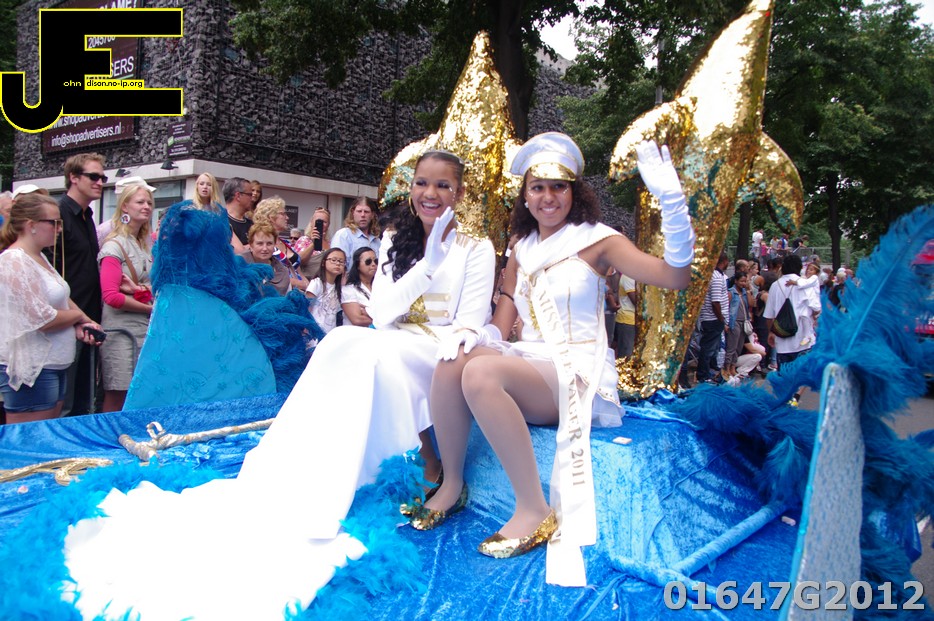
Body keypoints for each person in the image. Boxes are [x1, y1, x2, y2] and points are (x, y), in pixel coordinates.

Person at [62, 149, 496, 619]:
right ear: (411, 189)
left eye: (443, 185)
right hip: (392, 336)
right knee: (339, 342)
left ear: (459, 193)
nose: (430, 194)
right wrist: (426, 264)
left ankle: (418, 467)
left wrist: (440, 266)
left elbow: (469, 321)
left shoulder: (477, 248)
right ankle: (314, 475)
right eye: (422, 183)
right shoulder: (395, 239)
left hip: (440, 348)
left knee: (371, 353)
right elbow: (385, 311)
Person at [415, 135, 692, 581]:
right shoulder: (521, 247)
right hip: (528, 359)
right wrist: (474, 334)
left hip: (577, 372)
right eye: (538, 187)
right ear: (525, 195)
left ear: (574, 192)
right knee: (454, 360)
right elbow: (503, 320)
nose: (548, 197)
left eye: (558, 187)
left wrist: (673, 206)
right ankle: (451, 484)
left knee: (481, 373)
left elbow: (675, 277)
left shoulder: (599, 241)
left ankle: (533, 508)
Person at [0, 193, 104, 423]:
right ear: (31, 225)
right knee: (30, 438)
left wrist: (84, 321)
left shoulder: (39, 257)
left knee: (49, 433)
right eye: (54, 223)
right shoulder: (14, 260)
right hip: (34, 366)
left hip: (54, 363)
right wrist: (76, 316)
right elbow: (42, 318)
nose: (59, 229)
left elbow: (62, 296)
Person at [45, 153, 106, 416]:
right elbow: (49, 271)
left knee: (83, 398)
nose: (100, 182)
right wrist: (74, 317)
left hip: (88, 318)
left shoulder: (87, 215)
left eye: (102, 177)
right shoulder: (58, 215)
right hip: (66, 320)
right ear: (73, 177)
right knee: (64, 403)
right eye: (93, 176)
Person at [98, 180, 156, 413]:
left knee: (139, 393)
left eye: (149, 202)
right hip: (121, 333)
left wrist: (139, 291)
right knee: (118, 395)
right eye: (140, 202)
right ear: (124, 206)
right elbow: (111, 296)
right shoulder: (114, 245)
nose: (147, 207)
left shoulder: (142, 244)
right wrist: (151, 307)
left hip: (143, 330)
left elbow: (149, 290)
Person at [764, 254, 821, 369]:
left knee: (785, 376)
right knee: (802, 376)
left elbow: (769, 316)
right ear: (800, 268)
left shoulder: (775, 286)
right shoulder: (805, 284)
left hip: (782, 341)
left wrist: (771, 332)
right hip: (803, 340)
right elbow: (816, 309)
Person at [252, 196, 305, 291]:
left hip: (299, 294)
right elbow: (266, 276)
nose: (287, 217)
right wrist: (298, 283)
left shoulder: (286, 243)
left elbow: (298, 271)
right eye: (283, 214)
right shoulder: (262, 245)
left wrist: (308, 286)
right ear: (271, 217)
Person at [696, 251, 730, 383]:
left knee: (712, 348)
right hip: (712, 318)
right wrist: (720, 318)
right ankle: (703, 375)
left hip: (713, 318)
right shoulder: (716, 278)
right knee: (708, 348)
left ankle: (708, 372)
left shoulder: (716, 275)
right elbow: (715, 301)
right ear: (724, 261)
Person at [239, 222, 292, 295]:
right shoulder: (238, 265)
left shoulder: (283, 271)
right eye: (260, 244)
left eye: (269, 243)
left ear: (274, 245)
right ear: (251, 245)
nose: (265, 248)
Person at [304, 247, 345, 335]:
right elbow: (306, 308)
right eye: (333, 260)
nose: (338, 263)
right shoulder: (316, 283)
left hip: (329, 334)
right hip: (313, 333)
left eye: (341, 261)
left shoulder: (339, 289)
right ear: (323, 263)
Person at [331, 196, 381, 261]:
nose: (363, 215)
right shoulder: (343, 235)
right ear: (353, 213)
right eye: (359, 211)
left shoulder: (376, 240)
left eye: (366, 212)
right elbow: (336, 263)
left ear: (372, 215)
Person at [341, 246, 376, 327]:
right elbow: (357, 319)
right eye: (368, 261)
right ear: (358, 265)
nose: (373, 264)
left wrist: (368, 312)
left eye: (376, 261)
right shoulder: (348, 289)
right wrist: (382, 319)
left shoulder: (381, 287)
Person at [294, 207, 331, 280]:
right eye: (318, 221)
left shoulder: (331, 243)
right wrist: (314, 244)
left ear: (328, 225)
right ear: (311, 222)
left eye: (325, 222)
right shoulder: (304, 240)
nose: (322, 224)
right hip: (308, 281)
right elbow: (299, 261)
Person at [222, 177, 254, 254]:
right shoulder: (219, 222)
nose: (252, 199)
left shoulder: (252, 224)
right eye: (250, 195)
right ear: (238, 196)